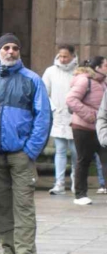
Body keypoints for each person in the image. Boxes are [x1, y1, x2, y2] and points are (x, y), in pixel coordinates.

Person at [0, 33, 51, 254]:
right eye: (6, 47)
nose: (10, 51)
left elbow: (43, 117)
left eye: (15, 48)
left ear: (19, 52)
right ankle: (8, 250)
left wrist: (31, 149)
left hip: (20, 154)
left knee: (23, 204)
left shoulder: (32, 80)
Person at [66, 57, 106, 206]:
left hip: (101, 129)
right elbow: (71, 99)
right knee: (84, 160)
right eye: (106, 65)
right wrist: (92, 115)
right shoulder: (84, 80)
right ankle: (80, 194)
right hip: (83, 128)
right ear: (97, 67)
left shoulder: (103, 82)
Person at [42, 44, 78, 195]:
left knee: (76, 152)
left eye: (66, 56)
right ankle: (59, 183)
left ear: (72, 56)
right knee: (60, 151)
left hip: (76, 116)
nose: (63, 59)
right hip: (59, 116)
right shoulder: (50, 71)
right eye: (61, 56)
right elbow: (44, 92)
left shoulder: (78, 72)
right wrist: (53, 108)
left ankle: (77, 182)